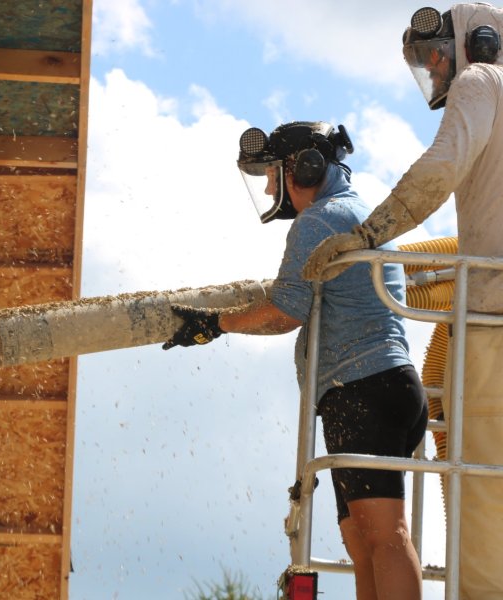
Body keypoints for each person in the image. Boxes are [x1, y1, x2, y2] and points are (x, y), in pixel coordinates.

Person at [163, 121, 427, 600]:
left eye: (273, 173)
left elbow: (286, 311)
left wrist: (215, 324)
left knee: (385, 536)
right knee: (361, 540)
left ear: (304, 168)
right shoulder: (357, 213)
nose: (268, 186)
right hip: (370, 388)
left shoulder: (320, 221)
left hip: (364, 389)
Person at [303, 4, 503, 598]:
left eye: (438, 54)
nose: (437, 71)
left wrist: (370, 235)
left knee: (484, 498)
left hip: (494, 325)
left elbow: (443, 166)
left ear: (479, 42)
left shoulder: (482, 79)